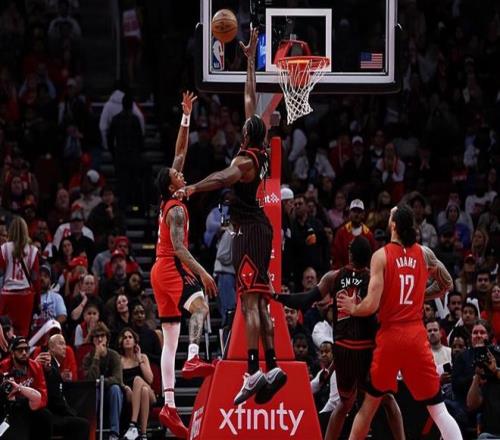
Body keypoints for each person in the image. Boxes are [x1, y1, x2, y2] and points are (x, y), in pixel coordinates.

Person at [174, 26, 287, 406]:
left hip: (249, 231)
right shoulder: (260, 147)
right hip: (260, 228)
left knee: (250, 302)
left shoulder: (244, 162)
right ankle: (272, 365)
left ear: (245, 135)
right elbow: (251, 99)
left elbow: (221, 178)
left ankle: (253, 370)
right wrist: (251, 59)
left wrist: (192, 188)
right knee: (260, 301)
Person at [337, 204, 462, 440]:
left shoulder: (381, 255)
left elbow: (371, 305)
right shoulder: (424, 253)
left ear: (393, 224)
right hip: (416, 337)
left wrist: (353, 308)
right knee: (438, 408)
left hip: (391, 337)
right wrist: (420, 295)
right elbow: (447, 284)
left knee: (368, 408)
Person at [276, 236, 405, 440]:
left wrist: (278, 296)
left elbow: (305, 300)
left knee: (344, 403)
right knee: (387, 399)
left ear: (350, 253)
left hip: (344, 349)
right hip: (366, 349)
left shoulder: (333, 277)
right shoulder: (374, 279)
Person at [151, 91, 216, 438]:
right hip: (171, 266)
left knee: (169, 339)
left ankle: (170, 406)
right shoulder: (176, 210)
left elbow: (180, 151)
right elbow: (178, 249)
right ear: (171, 184)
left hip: (159, 271)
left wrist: (186, 116)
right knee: (201, 306)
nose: (181, 172)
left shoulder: (170, 197)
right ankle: (194, 356)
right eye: (177, 174)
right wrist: (203, 272)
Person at [37, 334, 90, 440]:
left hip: (53, 413)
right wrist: (71, 413)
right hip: (49, 415)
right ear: (51, 347)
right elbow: (55, 398)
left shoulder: (55, 365)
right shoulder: (49, 365)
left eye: (65, 344)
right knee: (83, 424)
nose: (64, 347)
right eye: (61, 344)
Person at [0, 336, 49, 440]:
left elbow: (43, 396)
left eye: (26, 349)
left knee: (45, 415)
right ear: (12, 353)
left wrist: (30, 403)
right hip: (10, 407)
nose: (24, 353)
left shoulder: (36, 366)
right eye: (20, 350)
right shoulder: (3, 367)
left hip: (30, 405)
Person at [82, 322, 123, 440]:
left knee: (115, 389)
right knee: (93, 391)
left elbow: (118, 379)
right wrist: (96, 357)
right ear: (92, 340)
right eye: (96, 336)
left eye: (102, 336)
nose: (100, 339)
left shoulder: (114, 355)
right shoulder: (88, 358)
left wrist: (101, 382)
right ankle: (91, 432)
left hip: (110, 392)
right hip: (95, 392)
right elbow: (90, 381)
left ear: (107, 338)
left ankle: (114, 433)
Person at [0, 216, 40, 337]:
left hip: (7, 295)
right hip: (25, 296)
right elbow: (35, 278)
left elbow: (0, 271)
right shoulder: (33, 250)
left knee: (4, 332)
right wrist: (37, 300)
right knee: (22, 334)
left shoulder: (4, 248)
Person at [119, 328, 155, 440]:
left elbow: (150, 379)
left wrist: (139, 360)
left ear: (135, 342)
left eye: (130, 337)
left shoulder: (143, 357)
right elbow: (118, 379)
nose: (127, 339)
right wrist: (125, 388)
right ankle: (143, 434)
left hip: (150, 393)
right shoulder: (120, 360)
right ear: (121, 342)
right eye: (125, 338)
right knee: (143, 391)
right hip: (130, 394)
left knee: (138, 380)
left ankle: (133, 425)